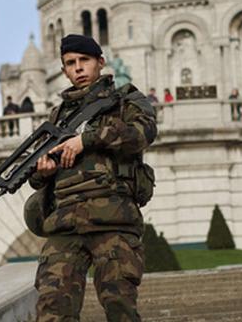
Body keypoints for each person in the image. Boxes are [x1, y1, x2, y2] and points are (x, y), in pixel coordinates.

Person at [28, 34, 156, 322]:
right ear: (63, 70)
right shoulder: (57, 115)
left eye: (84, 60)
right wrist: (43, 172)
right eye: (70, 63)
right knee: (52, 309)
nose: (78, 68)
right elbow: (37, 178)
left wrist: (87, 140)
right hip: (64, 224)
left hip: (113, 218)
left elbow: (142, 135)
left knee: (119, 306)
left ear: (100, 62)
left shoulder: (126, 100)